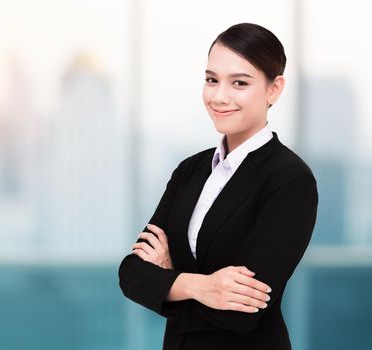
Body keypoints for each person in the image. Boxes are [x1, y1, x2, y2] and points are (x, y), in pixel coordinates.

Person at [118, 23, 318, 350]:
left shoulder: (290, 180)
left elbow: (241, 314)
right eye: (212, 80)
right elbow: (131, 275)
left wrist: (168, 280)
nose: (219, 96)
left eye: (239, 82)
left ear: (274, 89)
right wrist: (203, 286)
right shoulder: (190, 171)